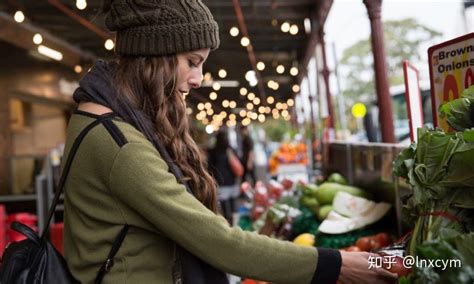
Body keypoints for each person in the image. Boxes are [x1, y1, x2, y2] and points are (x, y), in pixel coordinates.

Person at [62, 0, 398, 283]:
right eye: (191, 62)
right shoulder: (119, 142)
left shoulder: (105, 119)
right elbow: (218, 242)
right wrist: (337, 265)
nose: (197, 79)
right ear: (155, 55)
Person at [207, 129, 240, 224]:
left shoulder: (213, 151)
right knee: (233, 202)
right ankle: (235, 222)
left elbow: (210, 166)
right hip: (232, 180)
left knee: (224, 204)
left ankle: (227, 222)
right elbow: (238, 162)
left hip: (221, 181)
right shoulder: (231, 150)